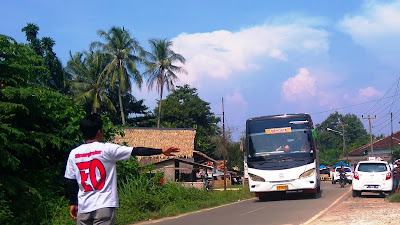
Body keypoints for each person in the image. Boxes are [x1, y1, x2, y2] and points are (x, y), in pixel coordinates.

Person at [64, 113, 179, 225]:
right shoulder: (106, 149)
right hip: (104, 206)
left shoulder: (74, 154)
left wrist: (73, 203)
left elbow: (71, 181)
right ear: (99, 132)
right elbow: (136, 150)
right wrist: (161, 151)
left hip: (84, 207)